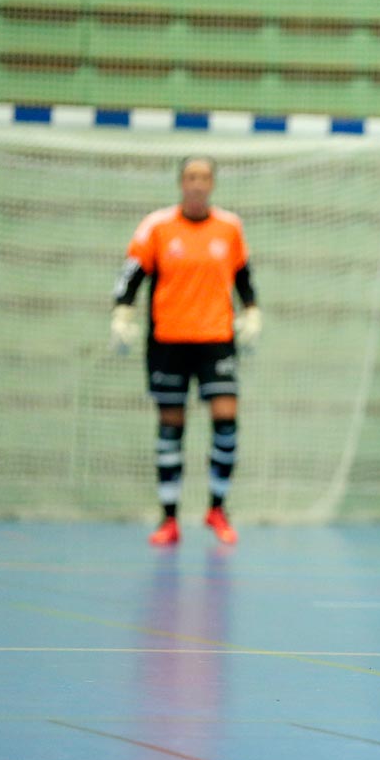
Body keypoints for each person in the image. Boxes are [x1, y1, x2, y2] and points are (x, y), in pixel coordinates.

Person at [111, 155, 261, 547]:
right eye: (191, 176)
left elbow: (243, 274)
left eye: (204, 177)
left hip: (215, 339)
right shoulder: (157, 226)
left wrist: (252, 311)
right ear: (181, 182)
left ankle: (216, 508)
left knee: (226, 418)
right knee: (170, 427)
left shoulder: (229, 227)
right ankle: (169, 519)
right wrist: (122, 312)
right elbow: (132, 273)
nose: (197, 183)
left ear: (212, 183)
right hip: (169, 340)